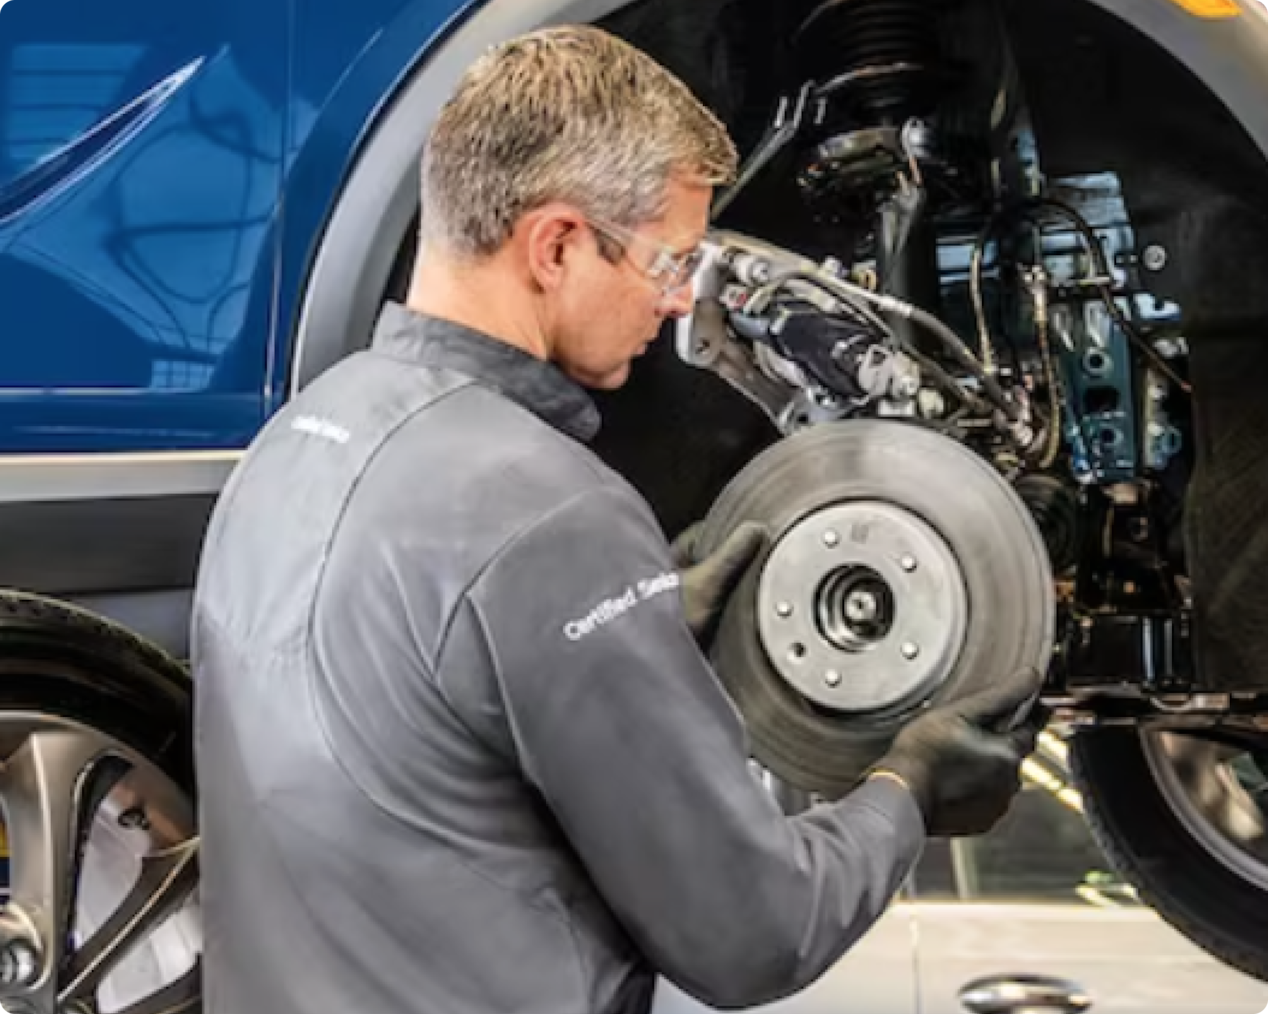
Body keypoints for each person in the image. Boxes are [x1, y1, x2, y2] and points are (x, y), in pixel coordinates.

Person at [191, 24, 1047, 1014]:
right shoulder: (549, 511)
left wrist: (627, 639)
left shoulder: (294, 440)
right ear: (554, 244)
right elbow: (754, 937)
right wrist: (906, 789)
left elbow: (409, 732)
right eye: (669, 260)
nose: (681, 298)